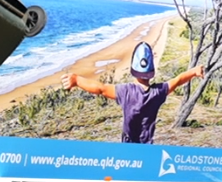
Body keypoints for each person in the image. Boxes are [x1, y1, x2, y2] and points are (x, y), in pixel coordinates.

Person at [60, 40, 204, 143]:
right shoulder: (158, 92)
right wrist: (194, 71)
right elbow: (178, 80)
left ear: (133, 69)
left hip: (128, 147)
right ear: (152, 71)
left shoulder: (125, 92)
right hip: (146, 146)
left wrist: (77, 80)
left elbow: (101, 89)